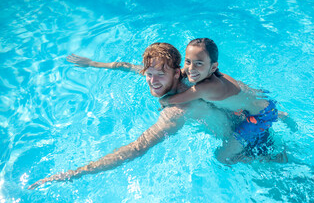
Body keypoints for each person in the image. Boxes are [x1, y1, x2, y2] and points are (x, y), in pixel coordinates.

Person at [28, 41, 293, 190]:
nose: (152, 81)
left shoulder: (177, 110)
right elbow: (130, 67)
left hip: (246, 141)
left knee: (223, 160)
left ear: (176, 73)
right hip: (251, 119)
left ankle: (270, 161)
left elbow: (136, 148)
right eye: (149, 74)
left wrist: (76, 172)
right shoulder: (192, 77)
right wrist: (94, 64)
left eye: (160, 74)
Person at [159, 38, 284, 157]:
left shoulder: (206, 87)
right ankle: (280, 114)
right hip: (260, 102)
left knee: (222, 157)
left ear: (213, 67)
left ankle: (257, 158)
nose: (191, 68)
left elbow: (173, 100)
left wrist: (163, 100)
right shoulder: (208, 73)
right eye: (188, 61)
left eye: (199, 63)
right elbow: (179, 72)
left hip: (260, 117)